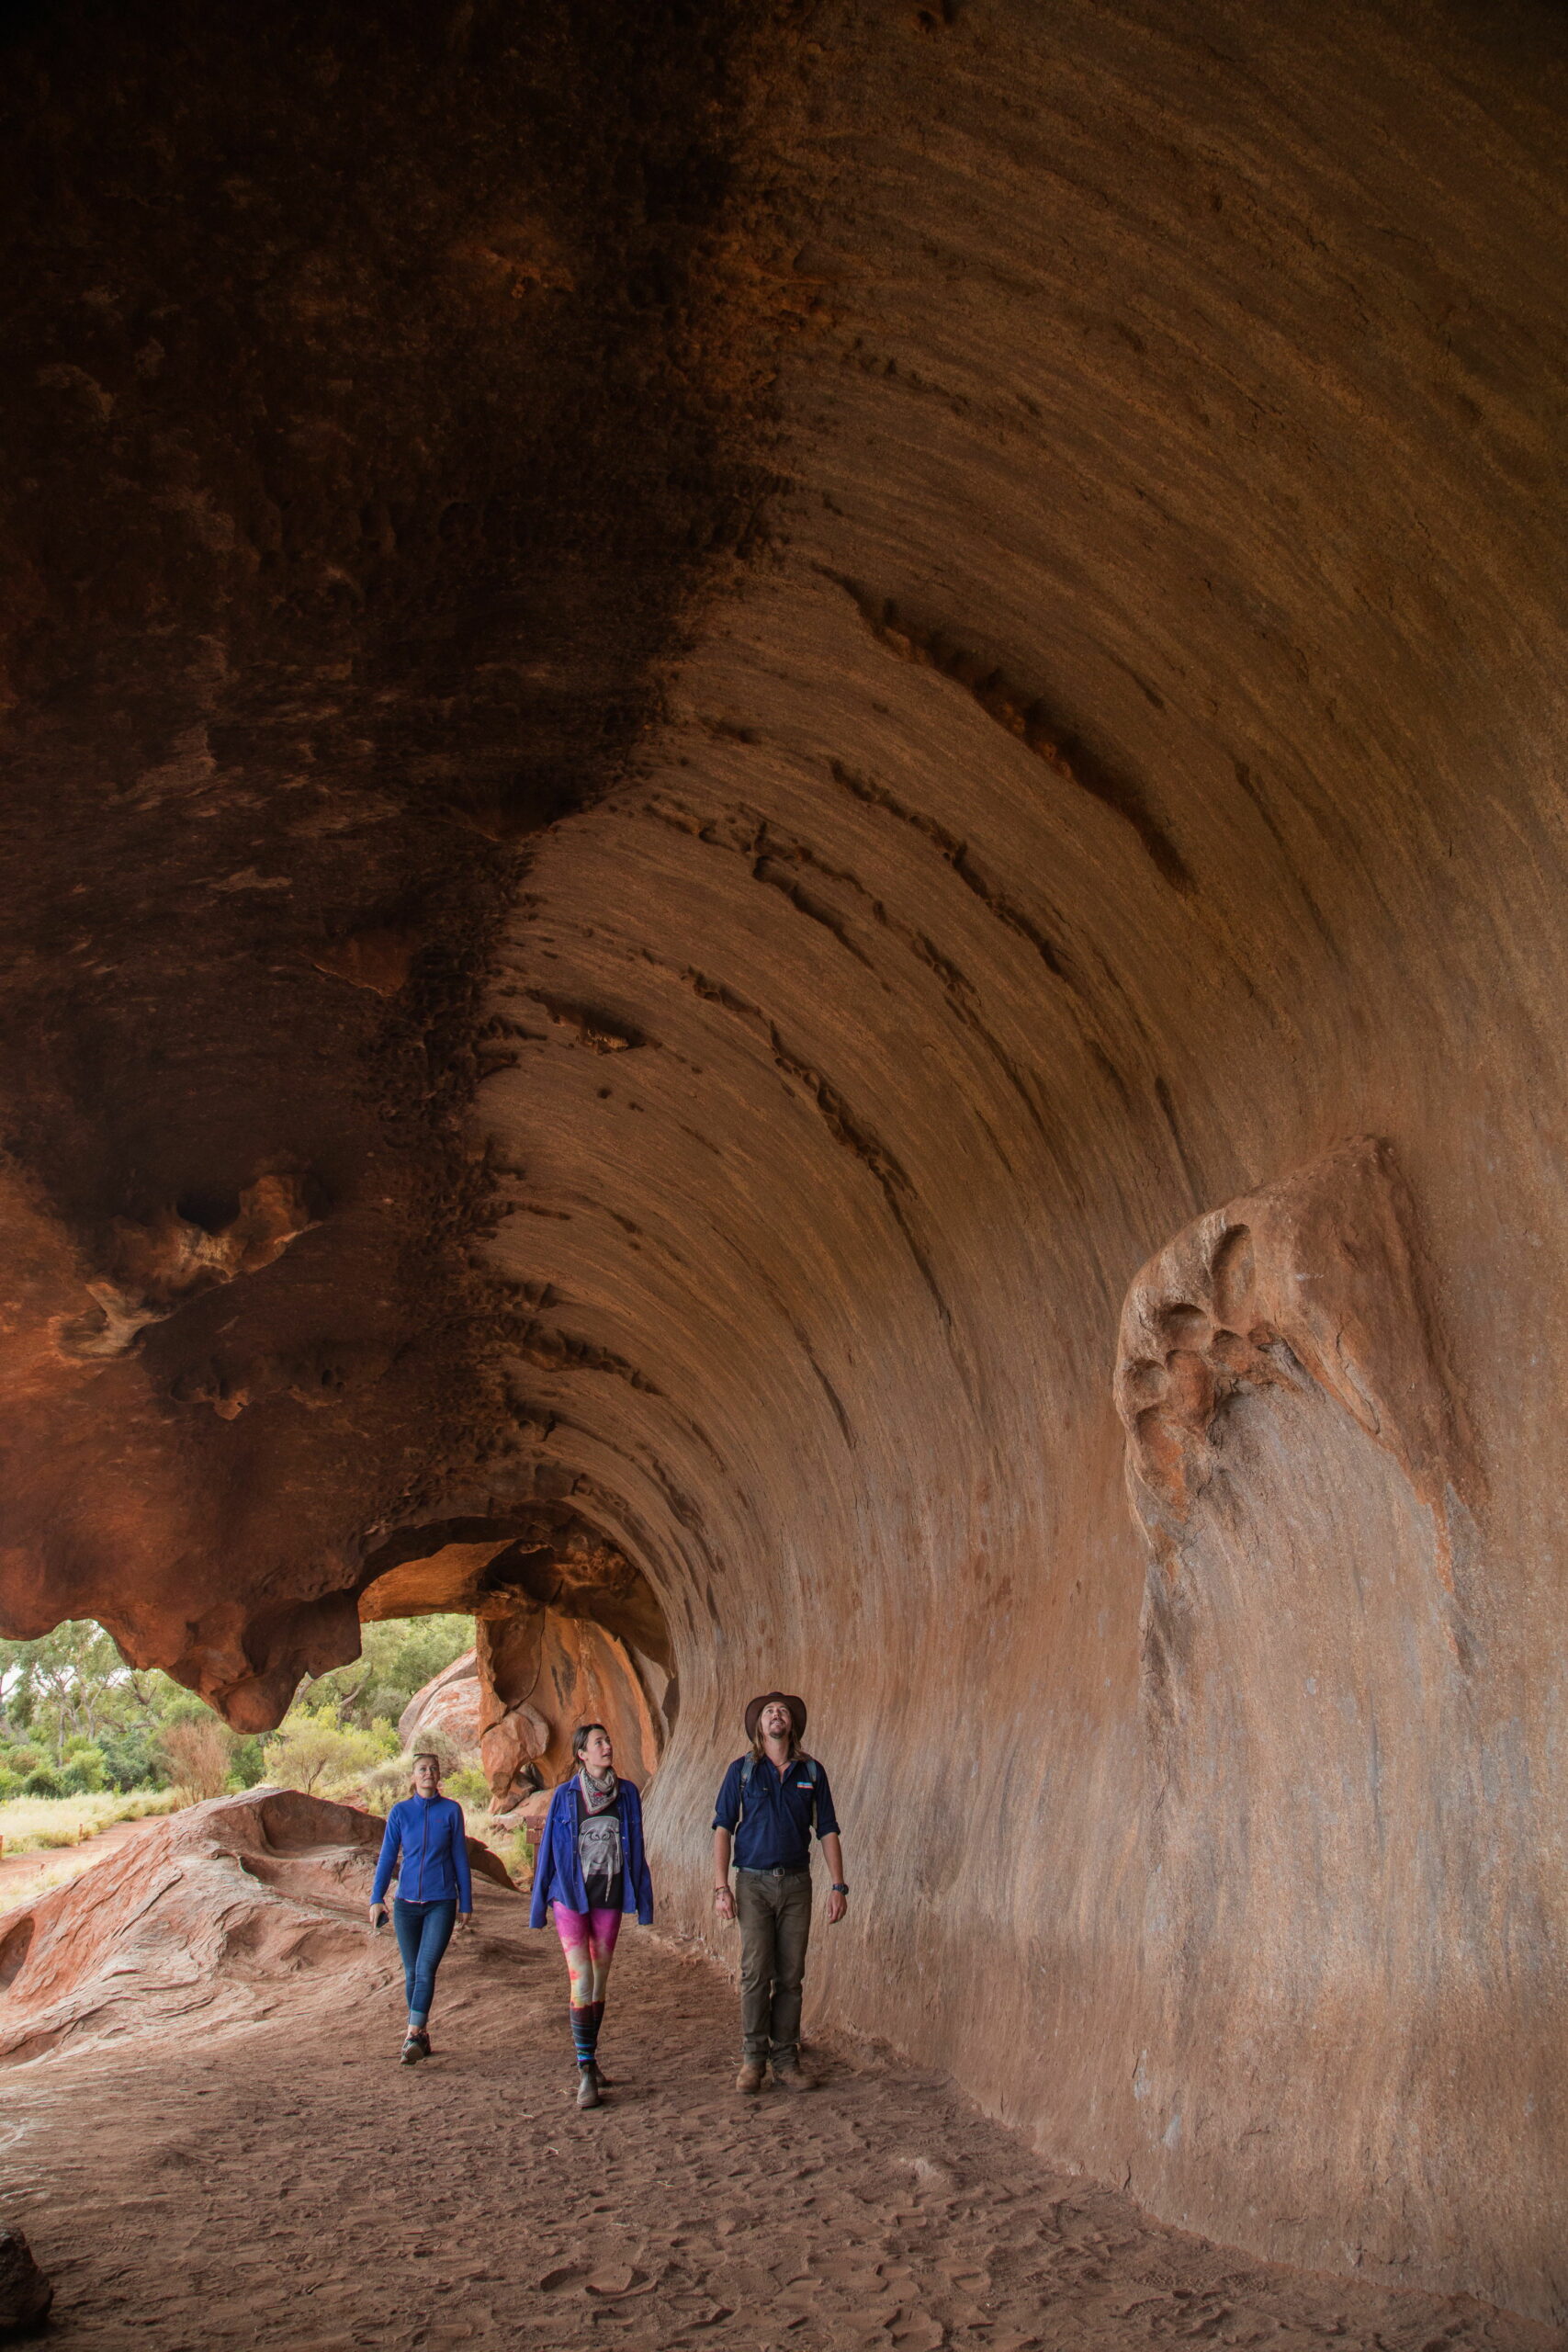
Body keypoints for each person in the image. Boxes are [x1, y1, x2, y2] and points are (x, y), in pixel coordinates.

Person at [712, 1690, 848, 2095]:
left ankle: (786, 2058)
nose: (776, 1715)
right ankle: (753, 2059)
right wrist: (721, 1887)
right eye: (769, 1711)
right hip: (751, 1882)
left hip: (795, 1883)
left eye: (783, 1711)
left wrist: (838, 1885)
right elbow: (723, 1828)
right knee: (756, 1971)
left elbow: (827, 1830)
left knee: (790, 1974)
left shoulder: (812, 1773)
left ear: (792, 1726)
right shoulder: (742, 1772)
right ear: (759, 1726)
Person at [530, 1721, 655, 2109]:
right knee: (581, 1981)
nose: (607, 1746)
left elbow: (637, 1845)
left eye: (608, 1740)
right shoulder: (566, 1796)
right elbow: (550, 1845)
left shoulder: (628, 1794)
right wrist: (539, 1905)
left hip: (610, 1896)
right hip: (569, 1896)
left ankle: (591, 2056)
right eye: (598, 1742)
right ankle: (586, 2070)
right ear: (582, 1754)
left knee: (599, 1983)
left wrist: (643, 1898)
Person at [368, 1749, 474, 2064]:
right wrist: (377, 1898)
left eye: (433, 1769)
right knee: (412, 1972)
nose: (428, 1773)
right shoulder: (400, 1813)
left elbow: (459, 1858)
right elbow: (388, 1857)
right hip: (406, 1905)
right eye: (422, 1769)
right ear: (413, 1777)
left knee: (426, 1968)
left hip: (441, 1901)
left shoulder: (451, 1811)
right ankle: (422, 2036)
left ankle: (412, 2035)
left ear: (439, 1776)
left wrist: (465, 1901)